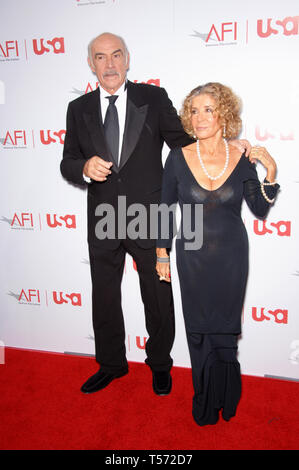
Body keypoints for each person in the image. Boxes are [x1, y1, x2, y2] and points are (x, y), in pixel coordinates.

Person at [60, 33, 250, 397]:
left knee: (158, 296)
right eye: (101, 57)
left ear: (128, 59)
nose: (110, 64)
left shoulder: (152, 97)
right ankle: (111, 364)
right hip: (103, 216)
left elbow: (185, 141)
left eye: (116, 55)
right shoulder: (78, 108)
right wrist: (83, 165)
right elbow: (67, 161)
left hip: (150, 212)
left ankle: (160, 365)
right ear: (91, 64)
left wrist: (226, 145)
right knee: (103, 294)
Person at [156, 82, 279, 425]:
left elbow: (259, 208)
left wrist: (269, 172)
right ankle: (205, 402)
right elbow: (165, 208)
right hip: (191, 255)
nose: (199, 118)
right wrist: (161, 253)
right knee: (197, 331)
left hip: (231, 258)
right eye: (194, 110)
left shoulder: (240, 158)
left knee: (224, 331)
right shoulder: (178, 156)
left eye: (208, 109)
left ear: (223, 114)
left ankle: (226, 398)